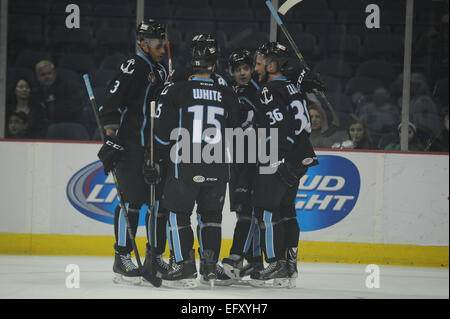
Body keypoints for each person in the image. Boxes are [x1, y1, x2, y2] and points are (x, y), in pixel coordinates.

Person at [154, 35, 241, 288]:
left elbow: (161, 133)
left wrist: (157, 160)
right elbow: (236, 130)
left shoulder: (175, 89)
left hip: (185, 163)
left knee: (178, 215)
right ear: (214, 65)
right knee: (211, 216)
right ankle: (210, 268)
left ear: (192, 63)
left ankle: (183, 266)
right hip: (217, 164)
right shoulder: (228, 93)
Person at [96, 19, 169, 287]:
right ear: (143, 44)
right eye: (159, 44)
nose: (163, 48)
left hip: (154, 146)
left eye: (164, 43)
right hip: (131, 146)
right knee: (132, 202)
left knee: (157, 202)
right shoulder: (135, 65)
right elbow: (112, 100)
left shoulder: (159, 69)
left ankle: (154, 256)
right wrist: (112, 138)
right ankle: (123, 257)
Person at [249, 42, 321, 288]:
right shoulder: (292, 86)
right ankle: (290, 265)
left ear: (271, 65)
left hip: (284, 155)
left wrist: (279, 158)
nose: (255, 67)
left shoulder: (269, 90)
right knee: (287, 209)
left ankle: (275, 263)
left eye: (259, 63)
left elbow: (281, 128)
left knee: (265, 209)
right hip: (302, 153)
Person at [221, 49, 264, 282]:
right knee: (243, 211)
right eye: (237, 69)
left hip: (252, 159)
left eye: (246, 68)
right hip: (234, 157)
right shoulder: (229, 91)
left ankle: (236, 257)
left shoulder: (258, 92)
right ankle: (255, 262)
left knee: (247, 210)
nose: (242, 72)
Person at [32, 60, 83, 130]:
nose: (47, 77)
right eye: (43, 75)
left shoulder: (68, 88)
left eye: (49, 73)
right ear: (37, 77)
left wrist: (47, 107)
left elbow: (69, 112)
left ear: (55, 73)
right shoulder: (35, 93)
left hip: (67, 128)